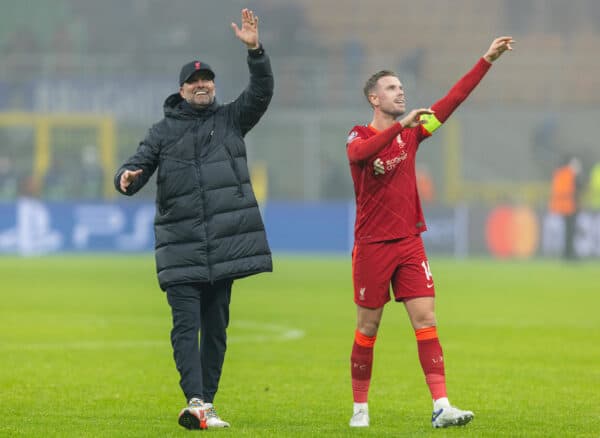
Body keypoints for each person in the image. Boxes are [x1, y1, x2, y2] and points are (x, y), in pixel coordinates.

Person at [114, 8, 273, 430]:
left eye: (208, 81)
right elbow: (137, 165)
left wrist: (255, 50)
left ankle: (206, 403)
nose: (202, 85)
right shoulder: (162, 132)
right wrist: (126, 178)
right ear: (182, 90)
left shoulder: (231, 120)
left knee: (216, 331)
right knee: (185, 326)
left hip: (224, 245)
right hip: (181, 245)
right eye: (194, 81)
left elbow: (261, 93)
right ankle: (196, 398)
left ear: (214, 87)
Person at [345, 36, 514, 429]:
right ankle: (360, 408)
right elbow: (358, 157)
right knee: (368, 327)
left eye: (402, 86)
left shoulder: (413, 133)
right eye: (391, 87)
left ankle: (441, 405)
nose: (400, 91)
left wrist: (485, 60)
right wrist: (399, 126)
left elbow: (452, 100)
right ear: (374, 98)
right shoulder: (358, 135)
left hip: (408, 243)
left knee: (426, 321)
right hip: (371, 246)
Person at [549, 156, 583, 260]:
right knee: (570, 232)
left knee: (568, 232)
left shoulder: (560, 173)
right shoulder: (570, 174)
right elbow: (577, 188)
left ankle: (567, 253)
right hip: (569, 206)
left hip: (562, 206)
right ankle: (570, 253)